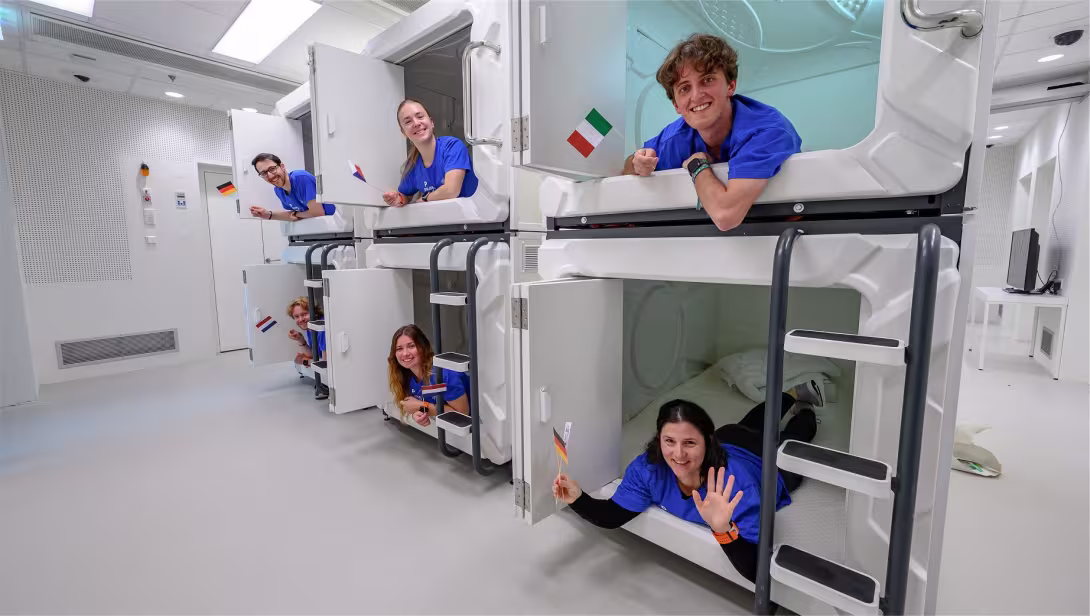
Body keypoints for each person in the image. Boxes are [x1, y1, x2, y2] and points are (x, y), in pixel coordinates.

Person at [553, 383, 821, 583]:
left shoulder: (737, 487)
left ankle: (806, 408)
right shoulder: (649, 469)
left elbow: (756, 573)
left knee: (793, 437)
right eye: (669, 441)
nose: (678, 455)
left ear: (707, 441)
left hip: (767, 464)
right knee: (752, 423)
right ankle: (791, 394)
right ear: (660, 439)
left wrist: (722, 528)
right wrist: (578, 498)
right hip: (731, 437)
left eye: (689, 443)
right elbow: (612, 515)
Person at [623, 34, 802, 232]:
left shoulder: (766, 130)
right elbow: (628, 166)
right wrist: (637, 163)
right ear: (676, 105)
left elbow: (725, 215)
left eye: (707, 80)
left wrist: (697, 164)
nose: (696, 95)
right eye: (684, 88)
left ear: (730, 86)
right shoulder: (676, 137)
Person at [382, 99, 479, 206]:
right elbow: (404, 197)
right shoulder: (412, 165)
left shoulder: (452, 146)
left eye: (420, 117)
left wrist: (426, 198)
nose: (416, 123)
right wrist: (396, 199)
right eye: (408, 121)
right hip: (442, 220)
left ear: (431, 122)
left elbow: (451, 190)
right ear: (403, 133)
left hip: (473, 220)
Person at [387, 324, 470, 427]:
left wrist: (422, 407)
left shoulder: (443, 374)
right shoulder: (405, 375)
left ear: (423, 347)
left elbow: (462, 414)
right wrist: (415, 415)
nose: (405, 353)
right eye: (399, 349)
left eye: (411, 346)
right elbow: (409, 405)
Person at [248, 153, 336, 221]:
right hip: (318, 230)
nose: (270, 175)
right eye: (264, 173)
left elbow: (317, 212)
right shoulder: (279, 190)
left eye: (272, 169)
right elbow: (293, 215)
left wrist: (295, 214)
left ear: (282, 167)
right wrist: (267, 214)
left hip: (335, 226)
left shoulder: (301, 178)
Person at [287, 297, 329, 400]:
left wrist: (305, 362)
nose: (300, 319)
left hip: (336, 368)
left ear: (314, 312)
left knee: (299, 363)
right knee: (298, 362)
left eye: (304, 314)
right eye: (296, 316)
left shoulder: (322, 327)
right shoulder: (310, 328)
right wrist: (301, 341)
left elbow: (325, 363)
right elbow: (314, 355)